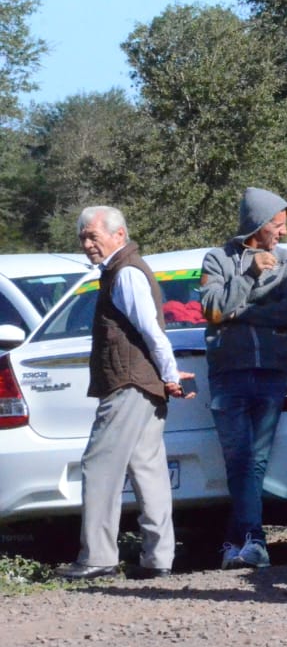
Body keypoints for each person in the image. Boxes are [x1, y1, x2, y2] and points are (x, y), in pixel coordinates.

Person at [56, 206, 192, 581]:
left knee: (99, 466)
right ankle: (158, 558)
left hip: (128, 386)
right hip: (143, 384)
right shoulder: (123, 270)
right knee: (148, 469)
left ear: (119, 235)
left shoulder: (126, 272)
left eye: (92, 236)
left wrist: (169, 372)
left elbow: (150, 329)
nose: (86, 244)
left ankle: (98, 557)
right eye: (83, 237)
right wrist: (167, 374)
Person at [198, 188, 287, 570]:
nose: (283, 233)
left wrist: (240, 313)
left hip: (272, 374)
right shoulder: (217, 259)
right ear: (258, 225)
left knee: (254, 460)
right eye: (277, 225)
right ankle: (253, 540)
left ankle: (238, 542)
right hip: (229, 375)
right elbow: (212, 309)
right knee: (241, 459)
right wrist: (248, 275)